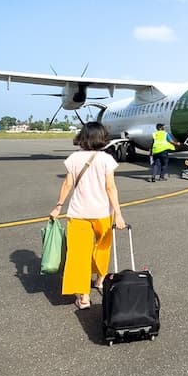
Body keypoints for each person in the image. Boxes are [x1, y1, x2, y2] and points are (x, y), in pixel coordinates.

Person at [49, 121, 126, 310]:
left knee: (78, 254)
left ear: (83, 137)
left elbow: (67, 184)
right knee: (103, 247)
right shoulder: (106, 159)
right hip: (102, 213)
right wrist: (119, 214)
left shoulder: (73, 158)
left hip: (78, 214)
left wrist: (58, 206)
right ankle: (100, 279)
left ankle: (84, 297)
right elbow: (110, 188)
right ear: (102, 138)